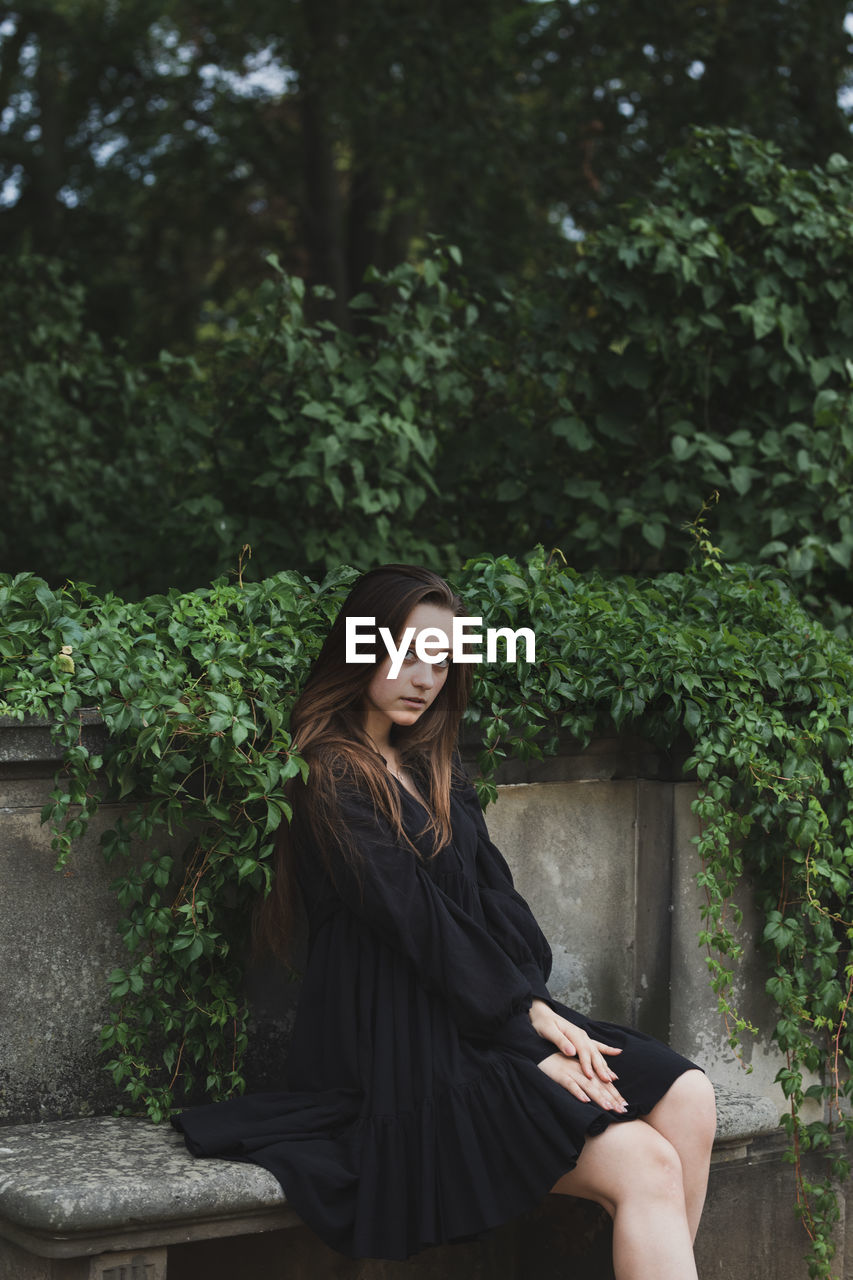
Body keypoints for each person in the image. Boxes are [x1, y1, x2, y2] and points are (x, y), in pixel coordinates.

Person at [173, 564, 716, 1277]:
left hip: (481, 1016)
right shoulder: (327, 774)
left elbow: (500, 905)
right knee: (644, 1166)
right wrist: (524, 1026)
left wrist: (536, 1012)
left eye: (439, 659)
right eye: (404, 652)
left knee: (690, 1098)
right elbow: (414, 920)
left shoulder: (434, 766)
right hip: (398, 1047)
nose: (423, 677)